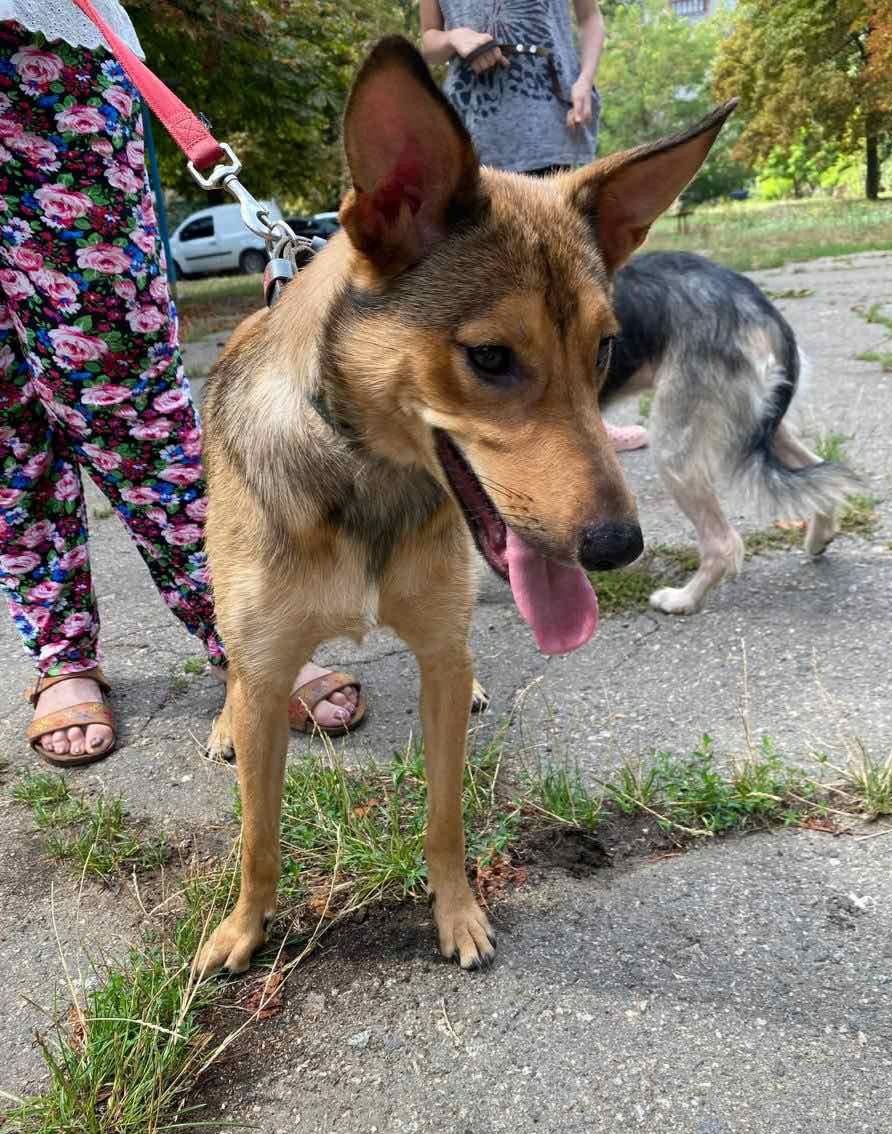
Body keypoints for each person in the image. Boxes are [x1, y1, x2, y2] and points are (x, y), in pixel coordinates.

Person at [0, 4, 364, 767]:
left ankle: (242, 626)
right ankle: (61, 653)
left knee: (131, 411)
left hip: (35, 72)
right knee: (6, 436)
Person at [420, 0, 648, 452]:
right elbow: (428, 42)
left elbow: (590, 17)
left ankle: (588, 421)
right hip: (476, 130)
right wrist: (454, 39)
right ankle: (486, 419)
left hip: (555, 118)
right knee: (491, 294)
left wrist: (585, 79)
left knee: (581, 284)